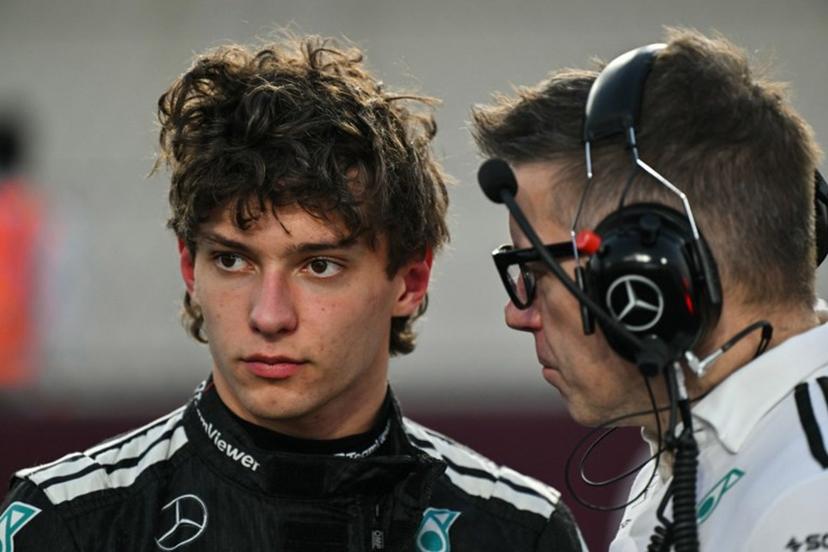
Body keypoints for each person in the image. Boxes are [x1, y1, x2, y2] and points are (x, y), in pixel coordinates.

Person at [0, 35, 585, 551]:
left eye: (319, 266)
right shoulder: (67, 524)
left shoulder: (518, 533)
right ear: (189, 269)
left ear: (410, 281)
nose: (269, 315)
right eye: (232, 260)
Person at [472, 28, 828, 550]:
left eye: (537, 269)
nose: (517, 313)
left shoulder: (808, 487)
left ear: (649, 275)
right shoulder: (682, 454)